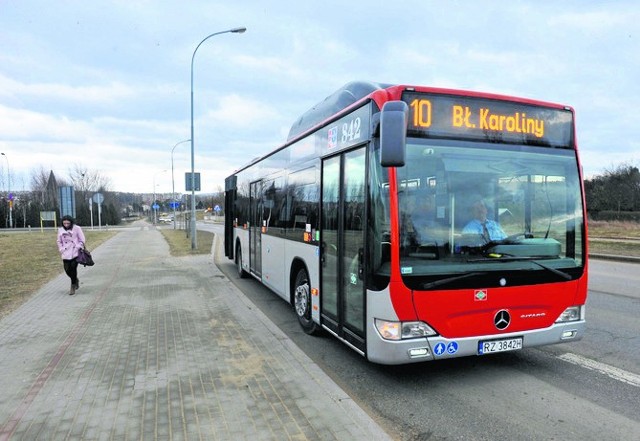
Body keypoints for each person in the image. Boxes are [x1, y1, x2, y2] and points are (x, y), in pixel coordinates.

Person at [56, 215, 86, 295]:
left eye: (68, 223)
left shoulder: (77, 228)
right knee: (67, 270)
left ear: (71, 222)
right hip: (65, 252)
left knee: (73, 268)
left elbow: (82, 239)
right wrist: (61, 249)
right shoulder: (60, 230)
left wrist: (78, 247)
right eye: (64, 223)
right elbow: (59, 241)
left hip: (74, 252)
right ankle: (75, 279)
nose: (66, 225)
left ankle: (73, 286)